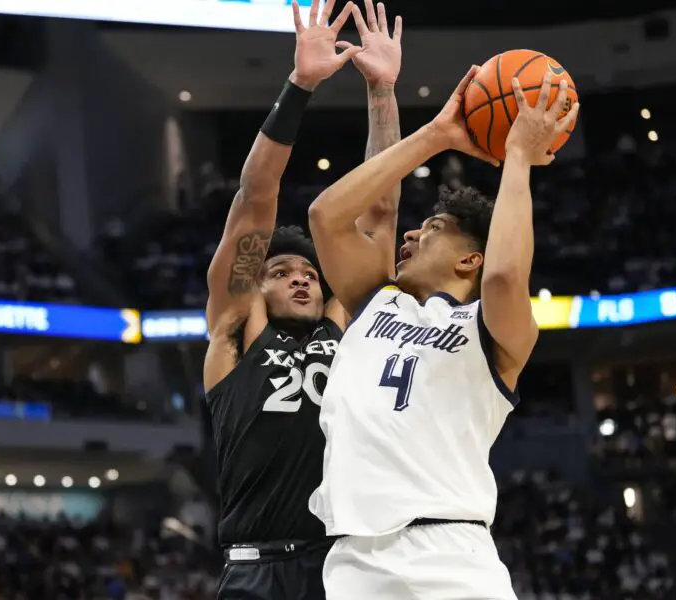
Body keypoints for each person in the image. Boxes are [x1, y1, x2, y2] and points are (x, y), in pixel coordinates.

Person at [307, 67, 579, 599]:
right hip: (352, 562)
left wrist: (518, 156)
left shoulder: (492, 331)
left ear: (469, 259)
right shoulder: (375, 303)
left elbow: (504, 274)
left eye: (432, 229)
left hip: (449, 557)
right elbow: (326, 216)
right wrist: (437, 134)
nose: (411, 232)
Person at [202, 1, 403, 598]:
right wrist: (300, 85)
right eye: (282, 271)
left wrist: (382, 93)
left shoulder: (345, 328)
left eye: (309, 273)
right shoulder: (238, 333)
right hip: (255, 569)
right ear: (254, 285)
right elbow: (254, 198)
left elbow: (382, 211)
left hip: (341, 568)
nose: (301, 279)